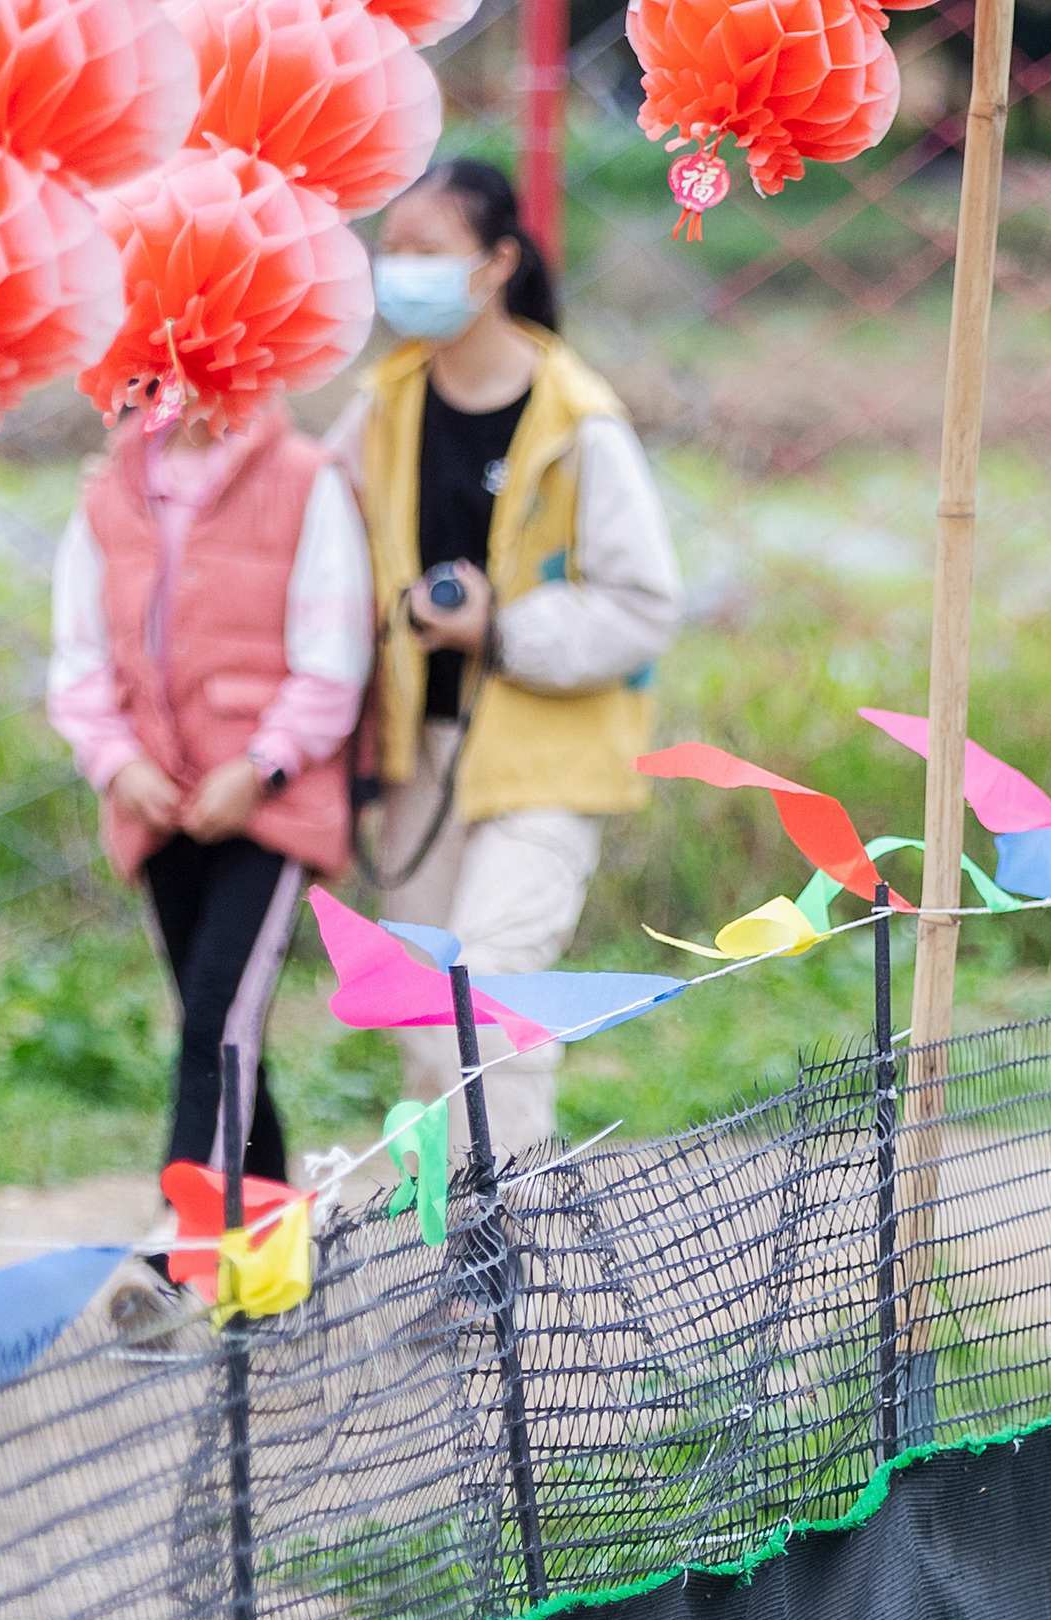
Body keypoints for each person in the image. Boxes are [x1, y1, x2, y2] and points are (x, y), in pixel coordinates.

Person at [334, 159, 680, 1157]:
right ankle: (453, 1255)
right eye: (389, 252)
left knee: (489, 992)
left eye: (424, 253)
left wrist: (506, 631)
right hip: (420, 753)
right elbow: (315, 533)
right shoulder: (386, 403)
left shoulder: (579, 421)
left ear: (496, 266)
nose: (399, 274)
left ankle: (506, 1259)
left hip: (544, 756)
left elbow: (643, 604)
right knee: (420, 1017)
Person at [44, 390, 368, 1266]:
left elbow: (333, 652)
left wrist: (264, 765)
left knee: (220, 1013)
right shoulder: (107, 493)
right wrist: (118, 762)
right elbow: (78, 656)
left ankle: (175, 1239)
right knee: (218, 1020)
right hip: (156, 801)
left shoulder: (307, 482)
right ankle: (276, 1250)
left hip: (269, 803)